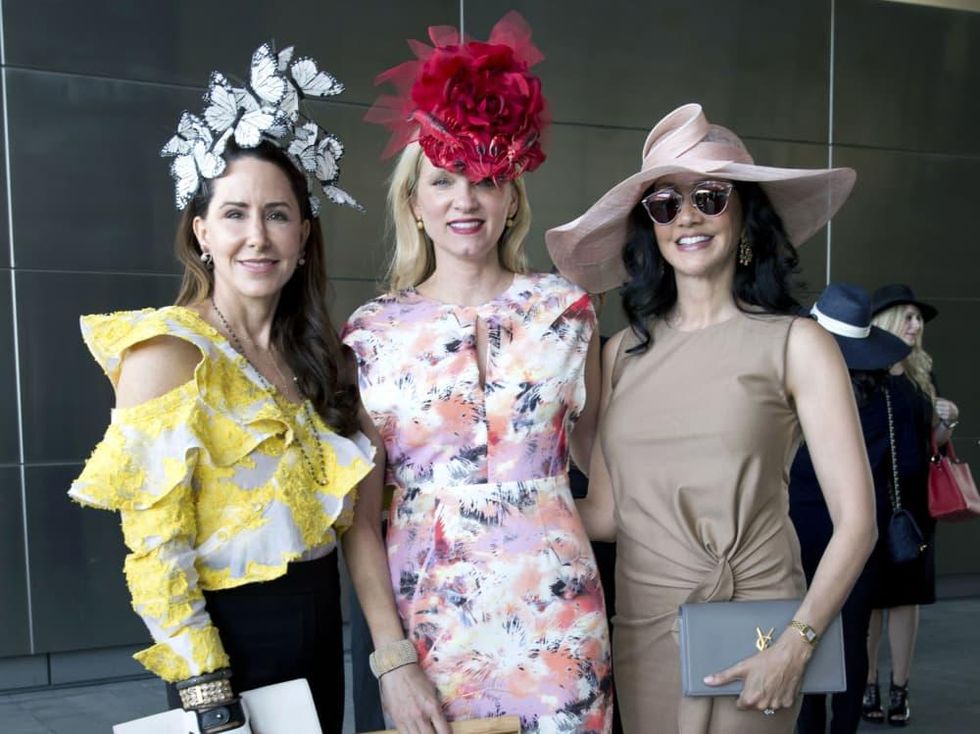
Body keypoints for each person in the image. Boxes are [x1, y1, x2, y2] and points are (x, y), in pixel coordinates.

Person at [68, 43, 373, 734]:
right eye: (234, 214)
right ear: (202, 231)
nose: (256, 237)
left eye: (277, 214)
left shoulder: (316, 356)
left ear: (303, 234)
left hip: (321, 620)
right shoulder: (168, 353)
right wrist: (208, 690)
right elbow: (156, 551)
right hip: (232, 643)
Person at [546, 103, 877, 733]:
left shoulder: (797, 343)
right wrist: (481, 504)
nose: (688, 215)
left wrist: (797, 641)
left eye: (710, 195)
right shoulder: (618, 357)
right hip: (644, 627)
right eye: (665, 203)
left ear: (746, 213)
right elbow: (611, 517)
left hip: (756, 629)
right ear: (650, 229)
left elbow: (857, 523)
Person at [341, 12, 612, 733]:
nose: (465, 198)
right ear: (414, 204)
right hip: (430, 619)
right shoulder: (372, 334)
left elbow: (610, 467)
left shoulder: (568, 310)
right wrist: (391, 661)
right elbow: (360, 522)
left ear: (512, 196)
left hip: (559, 615)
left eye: (487, 177)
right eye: (443, 179)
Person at [789, 283, 911, 734]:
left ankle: (808, 726)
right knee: (853, 634)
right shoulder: (892, 396)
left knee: (802, 627)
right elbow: (911, 463)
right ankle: (844, 727)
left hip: (799, 526)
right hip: (862, 528)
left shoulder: (797, 390)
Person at [861, 284, 959, 726]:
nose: (916, 326)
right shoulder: (862, 370)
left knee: (906, 600)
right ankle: (867, 686)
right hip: (869, 500)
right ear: (884, 322)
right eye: (908, 317)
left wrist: (946, 420)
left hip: (914, 505)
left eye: (918, 319)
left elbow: (932, 445)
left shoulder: (922, 373)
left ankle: (900, 688)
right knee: (870, 601)